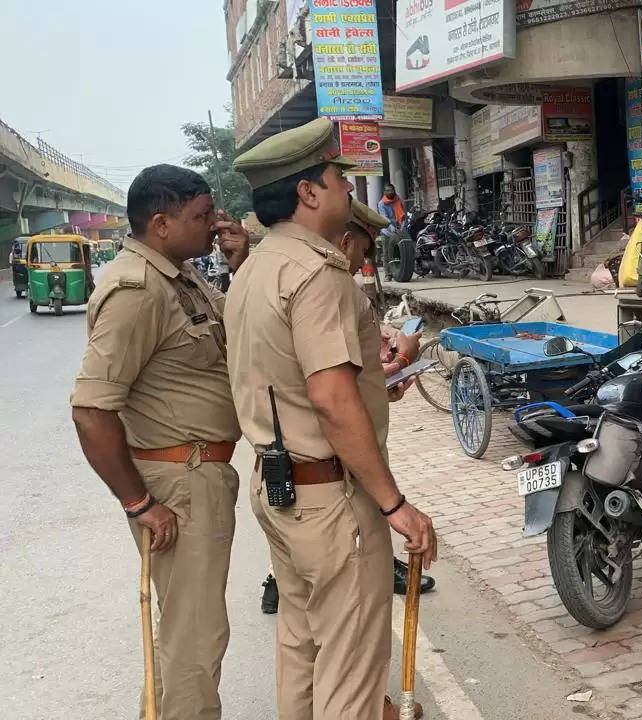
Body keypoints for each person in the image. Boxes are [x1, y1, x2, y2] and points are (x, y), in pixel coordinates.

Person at [227, 118, 436, 720]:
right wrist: (395, 505)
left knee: (301, 651)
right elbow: (330, 399)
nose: (348, 189)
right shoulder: (317, 273)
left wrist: (374, 371)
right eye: (338, 177)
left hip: (279, 488)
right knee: (350, 677)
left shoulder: (257, 270)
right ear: (309, 192)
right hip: (328, 498)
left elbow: (291, 376)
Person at [70, 164, 250, 719]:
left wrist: (240, 264)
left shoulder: (179, 274)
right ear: (161, 223)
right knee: (195, 639)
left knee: (185, 633)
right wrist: (139, 502)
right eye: (200, 216)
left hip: (201, 476)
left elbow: (230, 338)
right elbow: (90, 410)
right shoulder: (137, 290)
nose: (213, 224)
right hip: (179, 482)